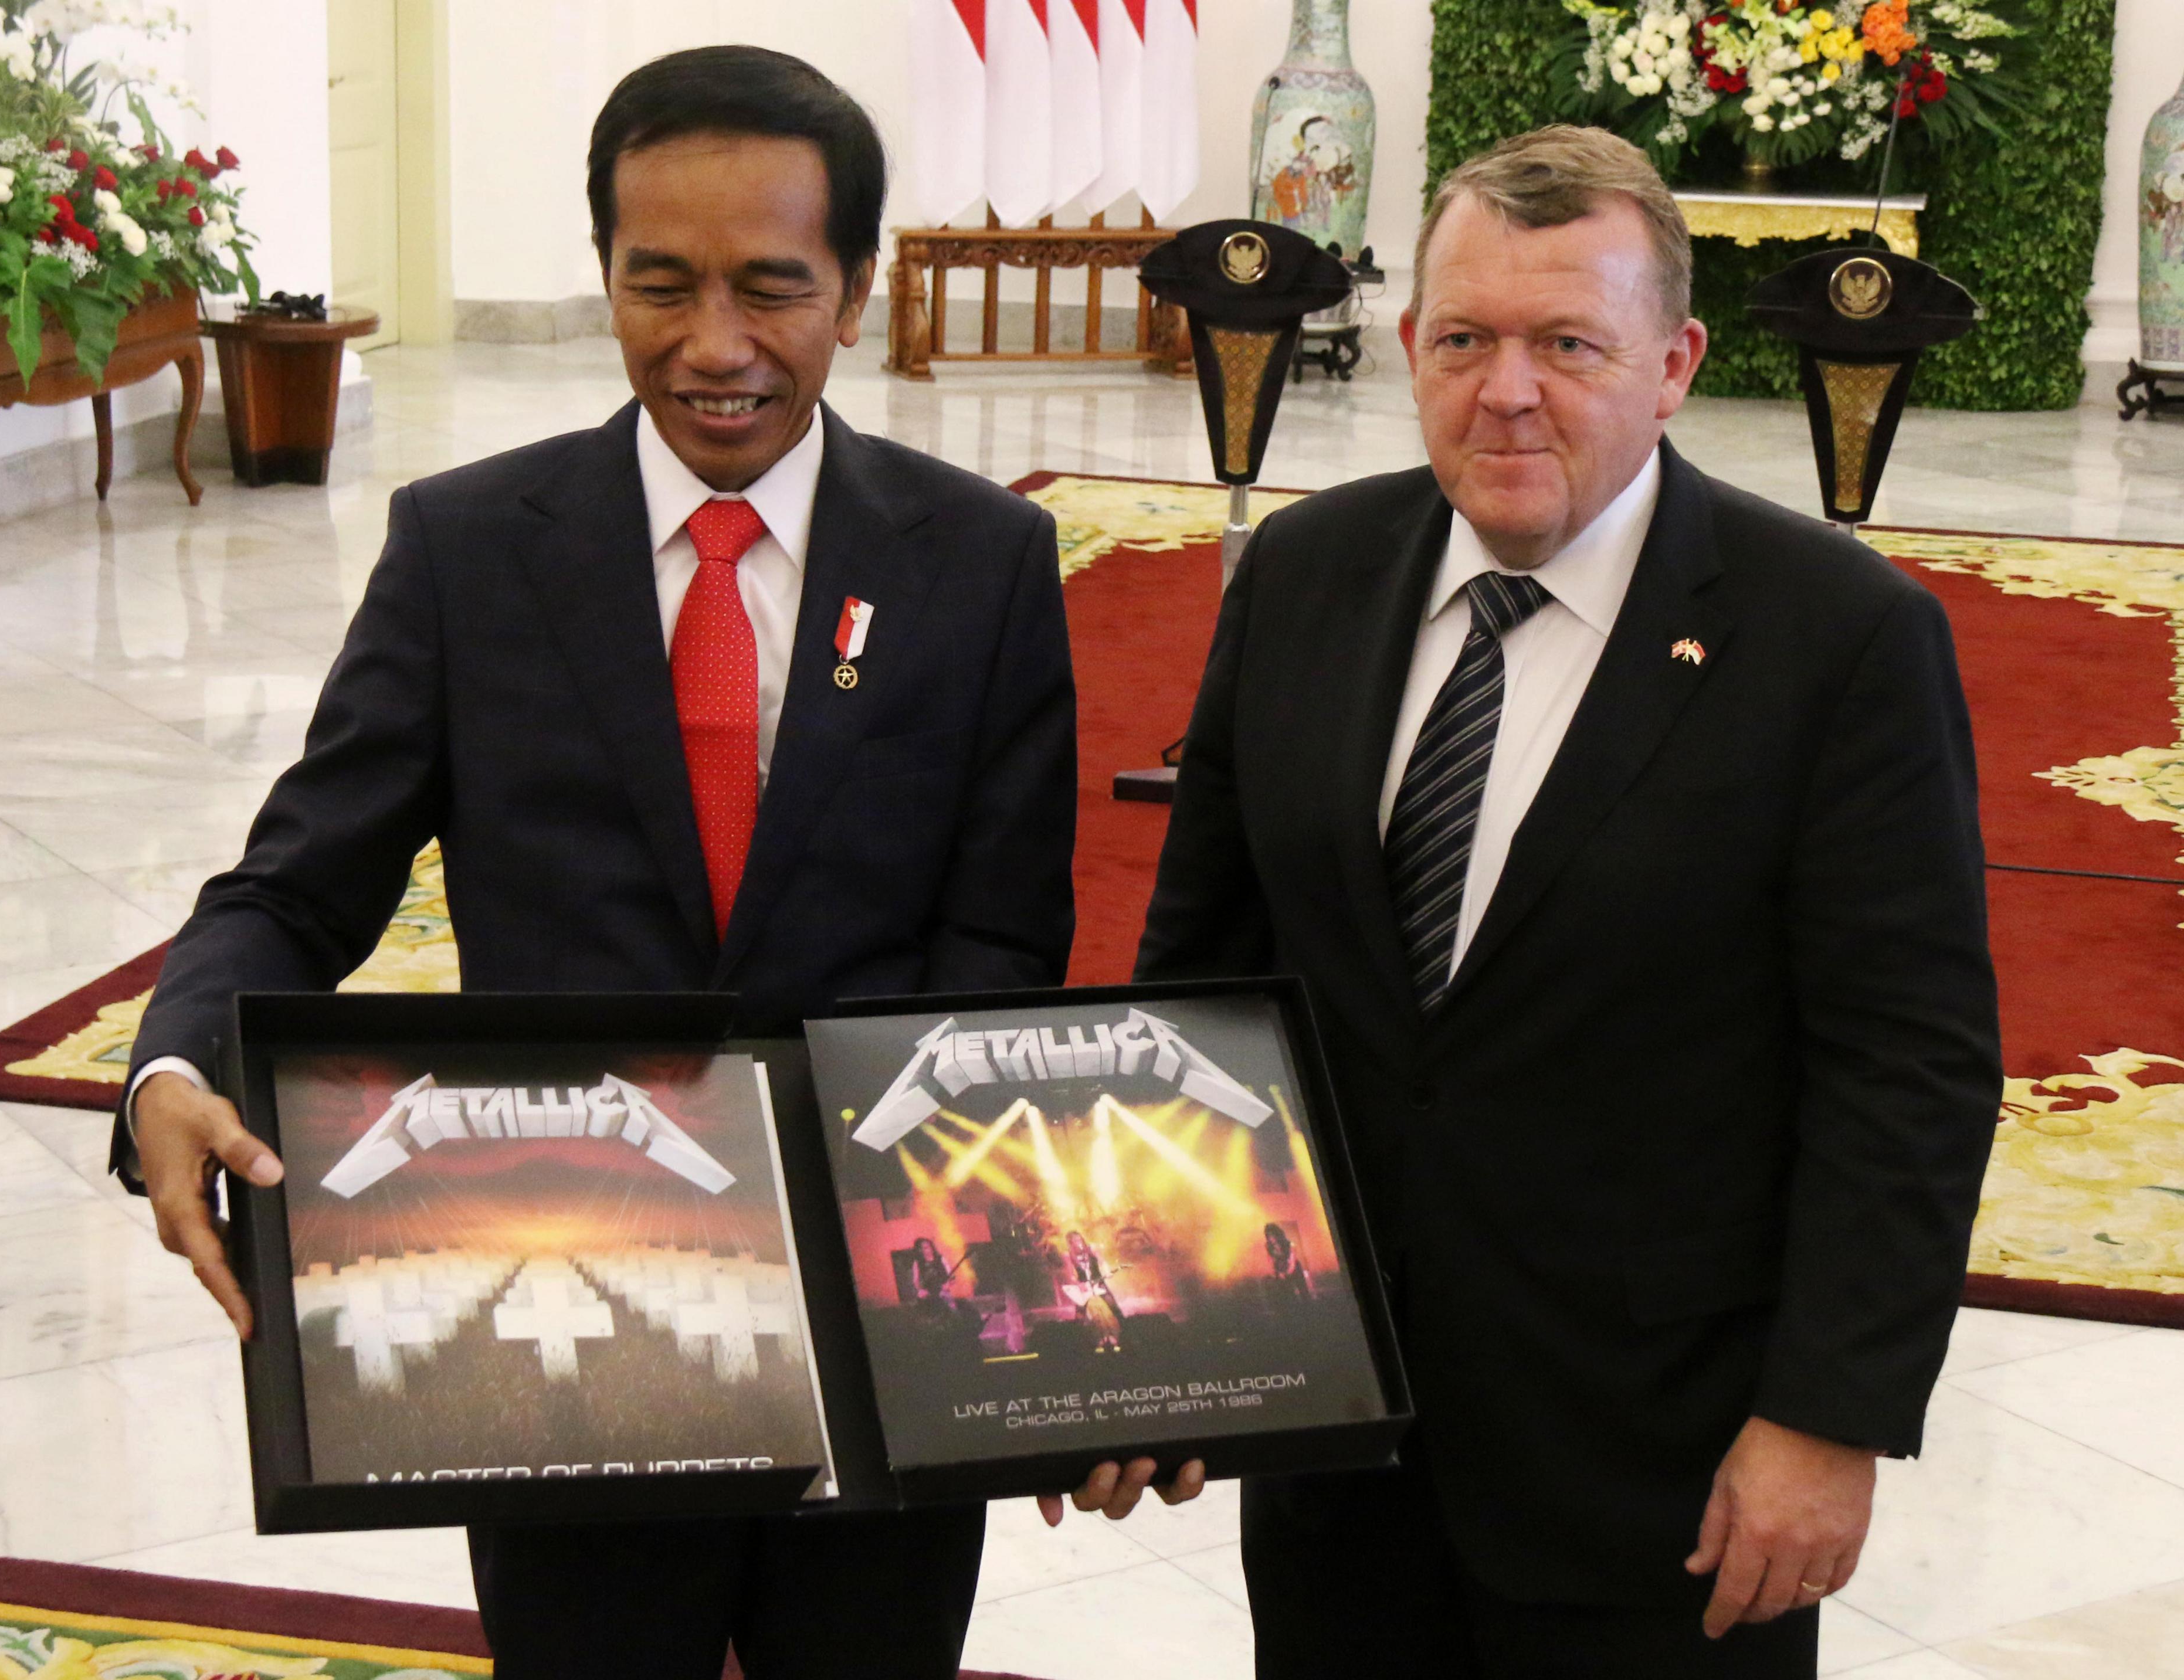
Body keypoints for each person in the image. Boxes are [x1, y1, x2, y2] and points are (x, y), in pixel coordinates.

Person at [111, 46, 1080, 1680]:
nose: (714, 347)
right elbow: (296, 884)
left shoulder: (981, 563)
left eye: (774, 287)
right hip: (555, 1320)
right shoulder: (469, 551)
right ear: (606, 277)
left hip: (875, 1320)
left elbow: (1000, 951)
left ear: (861, 283)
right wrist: (171, 1063)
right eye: (661, 285)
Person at [1135, 125, 2000, 1678]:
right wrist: (1162, 1330)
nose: (1507, 389)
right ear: (1409, 346)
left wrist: (1827, 1418)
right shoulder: (1302, 575)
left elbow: (1909, 1067)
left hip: (1656, 1473)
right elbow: (1205, 980)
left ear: (1672, 366)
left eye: (1569, 344)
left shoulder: (1840, 642)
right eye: (1465, 339)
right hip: (1337, 1440)